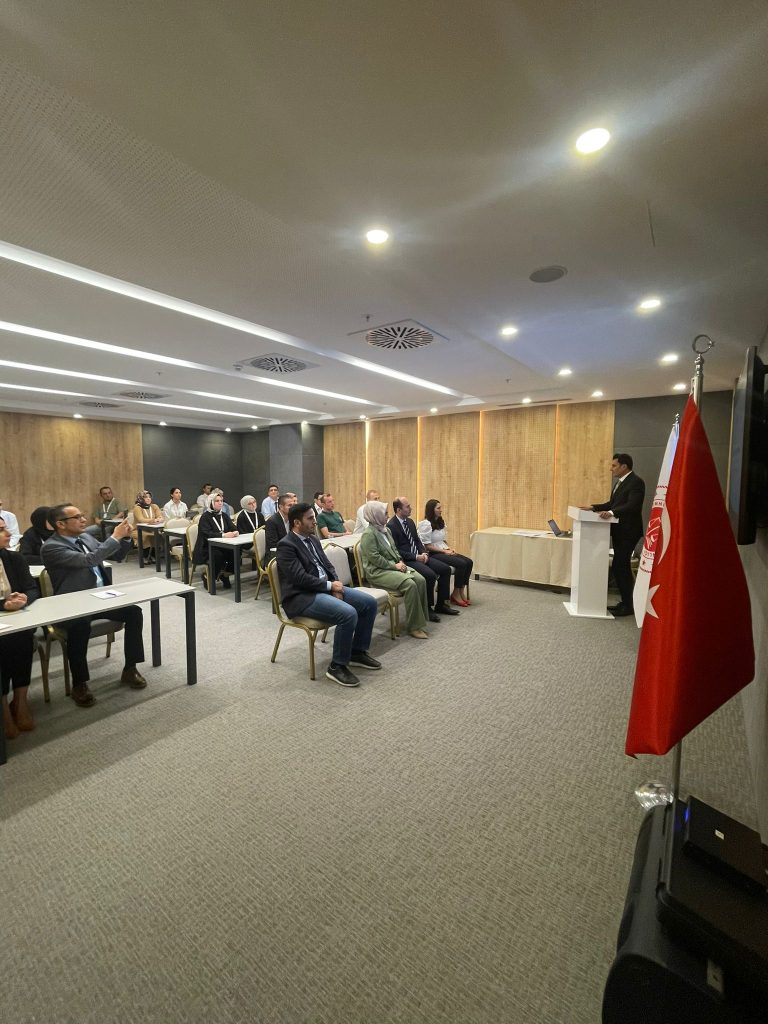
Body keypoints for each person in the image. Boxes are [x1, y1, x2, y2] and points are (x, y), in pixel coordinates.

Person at [42, 504, 147, 707]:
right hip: (73, 603)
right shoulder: (51, 547)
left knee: (134, 612)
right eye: (77, 517)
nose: (83, 519)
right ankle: (79, 684)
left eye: (82, 515)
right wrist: (114, 537)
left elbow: (115, 555)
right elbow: (89, 560)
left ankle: (130, 668)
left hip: (100, 598)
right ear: (60, 524)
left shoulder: (85, 537)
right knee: (79, 626)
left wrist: (125, 538)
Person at [276, 503, 381, 687]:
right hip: (301, 597)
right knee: (348, 613)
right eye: (310, 518)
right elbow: (299, 578)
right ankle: (337, 666)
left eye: (314, 517)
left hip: (324, 588)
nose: (314, 521)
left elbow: (328, 566)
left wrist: (335, 586)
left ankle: (356, 652)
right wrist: (330, 586)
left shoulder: (313, 539)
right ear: (297, 523)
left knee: (369, 603)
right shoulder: (286, 545)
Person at [579, 452, 645, 617]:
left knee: (620, 566)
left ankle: (628, 605)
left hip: (629, 532)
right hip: (619, 531)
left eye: (614, 465)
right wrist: (593, 507)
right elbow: (612, 504)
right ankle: (625, 602)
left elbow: (632, 505)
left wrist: (611, 512)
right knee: (619, 566)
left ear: (624, 466)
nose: (611, 469)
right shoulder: (620, 482)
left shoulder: (636, 482)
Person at [358, 502, 429, 639]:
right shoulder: (368, 534)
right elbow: (375, 558)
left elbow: (395, 549)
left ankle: (421, 620)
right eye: (385, 513)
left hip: (393, 566)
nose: (388, 515)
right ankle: (414, 627)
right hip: (378, 572)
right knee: (410, 584)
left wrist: (400, 561)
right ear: (375, 515)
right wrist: (394, 566)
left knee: (420, 580)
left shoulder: (386, 530)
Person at [387, 497, 459, 621]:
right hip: (408, 560)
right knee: (430, 575)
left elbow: (417, 541)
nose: (411, 508)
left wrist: (424, 553)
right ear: (398, 510)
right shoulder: (391, 526)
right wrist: (416, 556)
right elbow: (396, 550)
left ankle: (441, 605)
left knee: (445, 569)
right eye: (407, 506)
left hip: (420, 556)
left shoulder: (410, 522)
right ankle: (427, 607)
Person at [0, 515, 39, 737]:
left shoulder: (14, 558)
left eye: (5, 528)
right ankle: (4, 708)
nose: (8, 534)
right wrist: (3, 605)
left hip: (16, 620)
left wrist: (22, 600)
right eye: (0, 530)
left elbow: (31, 588)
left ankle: (20, 701)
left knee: (23, 638)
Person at [417, 499, 474, 606]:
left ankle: (460, 591)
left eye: (441, 508)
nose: (441, 510)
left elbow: (443, 540)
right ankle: (455, 594)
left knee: (469, 562)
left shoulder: (440, 522)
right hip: (433, 553)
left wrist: (449, 549)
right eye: (438, 508)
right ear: (431, 510)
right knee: (461, 564)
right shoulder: (425, 524)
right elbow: (427, 546)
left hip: (443, 550)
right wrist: (444, 551)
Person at [192, 492, 238, 590]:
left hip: (222, 545)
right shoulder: (205, 517)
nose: (220, 503)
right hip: (207, 547)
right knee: (218, 555)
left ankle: (225, 574)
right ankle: (207, 576)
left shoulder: (224, 515)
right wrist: (224, 535)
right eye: (217, 501)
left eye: (221, 501)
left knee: (236, 552)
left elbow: (232, 526)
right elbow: (207, 533)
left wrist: (235, 531)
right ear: (210, 503)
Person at [132, 490, 164, 563]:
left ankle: (153, 555)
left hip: (151, 529)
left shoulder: (154, 506)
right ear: (140, 499)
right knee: (145, 536)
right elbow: (141, 519)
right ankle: (145, 556)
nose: (148, 498)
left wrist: (159, 519)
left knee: (158, 535)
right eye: (145, 497)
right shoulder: (137, 508)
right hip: (138, 530)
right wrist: (153, 520)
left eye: (149, 497)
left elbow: (160, 516)